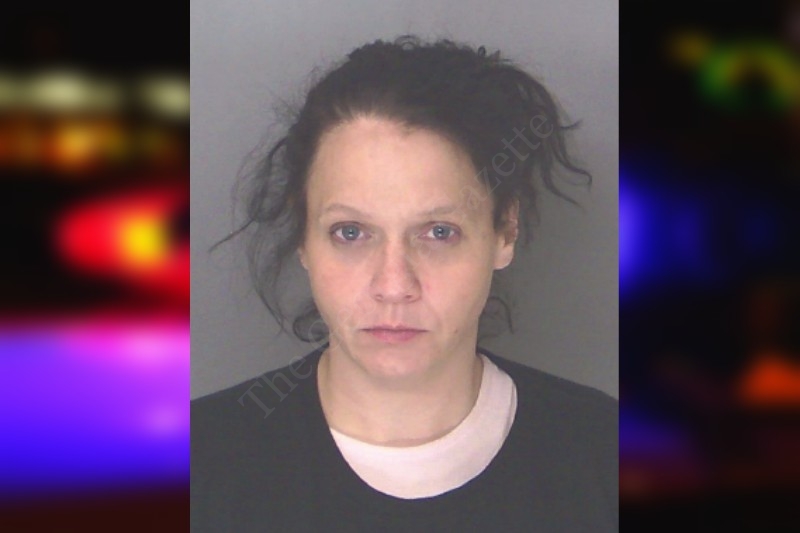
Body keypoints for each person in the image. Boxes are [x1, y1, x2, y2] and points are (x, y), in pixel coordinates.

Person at [191, 36, 617, 532]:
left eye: (439, 232)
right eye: (350, 232)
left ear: (505, 231)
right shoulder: (196, 465)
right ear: (303, 237)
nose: (394, 286)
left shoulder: (606, 454)